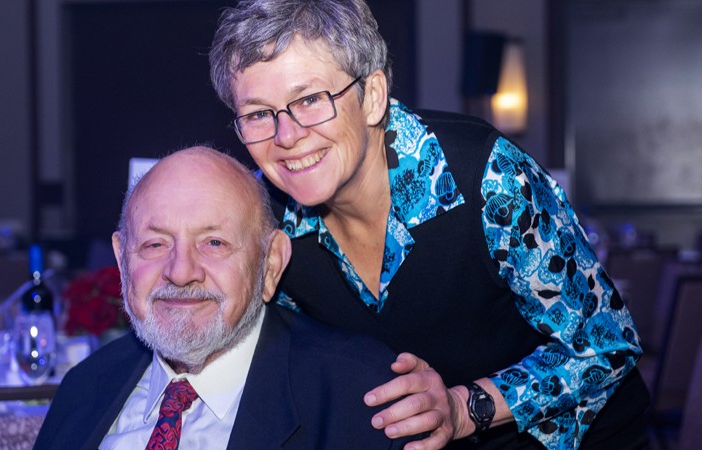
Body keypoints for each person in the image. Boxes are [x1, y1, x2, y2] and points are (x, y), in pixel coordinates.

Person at [208, 1, 650, 449]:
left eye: (309, 100)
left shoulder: (487, 177)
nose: (286, 137)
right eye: (260, 114)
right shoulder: (268, 220)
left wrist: (462, 408)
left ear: (373, 96)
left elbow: (608, 343)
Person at [33, 147, 416, 450]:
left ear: (270, 264)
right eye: (154, 244)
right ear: (121, 259)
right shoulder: (83, 388)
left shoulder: (363, 398)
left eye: (214, 243)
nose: (180, 272)